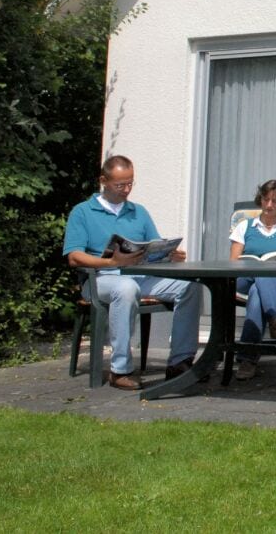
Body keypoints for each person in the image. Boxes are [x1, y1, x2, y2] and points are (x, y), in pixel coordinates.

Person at [63, 155, 203, 390]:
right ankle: (120, 370)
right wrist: (110, 263)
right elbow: (74, 257)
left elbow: (153, 245)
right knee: (126, 288)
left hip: (139, 276)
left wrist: (169, 254)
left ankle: (180, 362)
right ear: (103, 181)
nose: (126, 190)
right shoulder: (83, 212)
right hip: (100, 279)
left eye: (130, 183)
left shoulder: (138, 212)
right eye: (120, 185)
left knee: (191, 286)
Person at [229, 179, 276, 381]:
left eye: (274, 201)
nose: (269, 205)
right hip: (243, 280)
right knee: (261, 274)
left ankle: (247, 359)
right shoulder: (244, 226)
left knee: (257, 293)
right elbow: (233, 263)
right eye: (266, 199)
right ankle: (275, 318)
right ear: (260, 200)